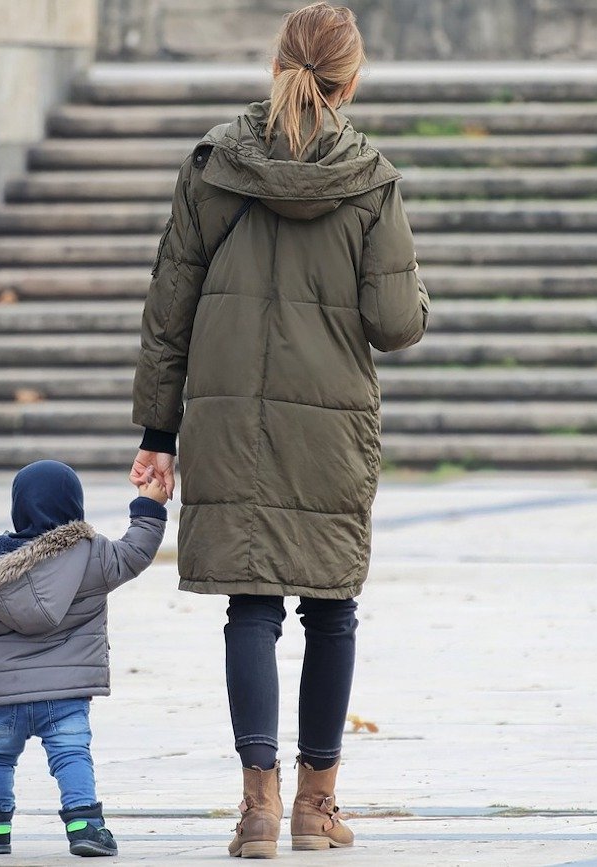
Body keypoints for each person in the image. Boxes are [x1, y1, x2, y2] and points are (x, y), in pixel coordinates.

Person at [129, 1, 429, 858]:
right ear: (352, 78)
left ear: (276, 66)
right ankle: (317, 805)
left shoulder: (216, 164)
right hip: (330, 422)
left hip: (225, 416)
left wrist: (158, 429)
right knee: (331, 610)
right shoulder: (371, 179)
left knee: (250, 607)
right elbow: (396, 320)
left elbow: (169, 305)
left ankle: (256, 809)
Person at [0, 460, 168, 857]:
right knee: (71, 755)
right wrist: (149, 503)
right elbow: (137, 551)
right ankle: (85, 826)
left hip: (4, 697)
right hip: (66, 695)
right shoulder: (95, 555)